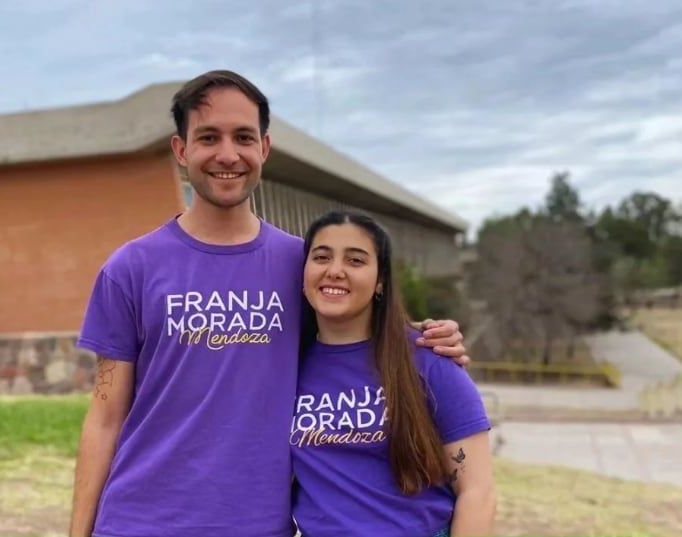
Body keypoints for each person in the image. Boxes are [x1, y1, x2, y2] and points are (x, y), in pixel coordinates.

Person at [69, 70, 469, 537]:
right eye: (208, 137)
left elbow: (362, 335)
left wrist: (427, 338)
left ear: (264, 148)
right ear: (181, 151)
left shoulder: (302, 266)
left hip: (258, 526)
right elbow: (104, 416)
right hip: (139, 523)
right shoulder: (130, 269)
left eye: (243, 137)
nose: (227, 154)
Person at [291, 211, 496, 537]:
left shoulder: (430, 360)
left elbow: (478, 493)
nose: (335, 271)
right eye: (321, 257)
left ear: (381, 280)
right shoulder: (287, 365)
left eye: (355, 261)